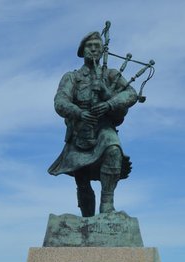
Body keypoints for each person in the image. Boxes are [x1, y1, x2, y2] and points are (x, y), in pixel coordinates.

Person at [48, 30, 138, 217]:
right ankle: (87, 219)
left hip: (104, 129)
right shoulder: (71, 77)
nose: (94, 50)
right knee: (82, 178)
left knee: (113, 149)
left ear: (103, 51)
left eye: (98, 46)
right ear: (83, 50)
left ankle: (107, 206)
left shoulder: (111, 75)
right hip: (80, 133)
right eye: (90, 46)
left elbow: (131, 94)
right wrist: (79, 113)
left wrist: (108, 100)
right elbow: (60, 102)